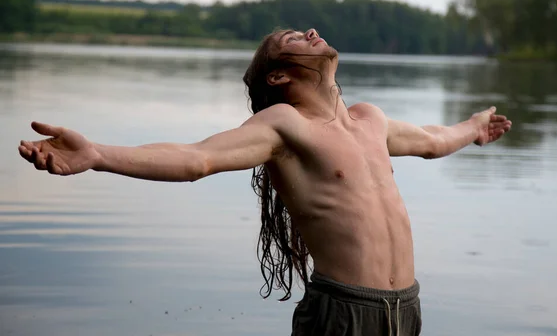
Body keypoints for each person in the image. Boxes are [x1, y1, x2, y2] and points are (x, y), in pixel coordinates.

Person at [18, 28, 512, 336]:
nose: (311, 31)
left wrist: (473, 128)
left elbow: (430, 138)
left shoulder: (370, 119)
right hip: (341, 312)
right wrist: (98, 154)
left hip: (405, 309)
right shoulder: (284, 126)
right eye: (293, 38)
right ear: (278, 77)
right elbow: (197, 159)